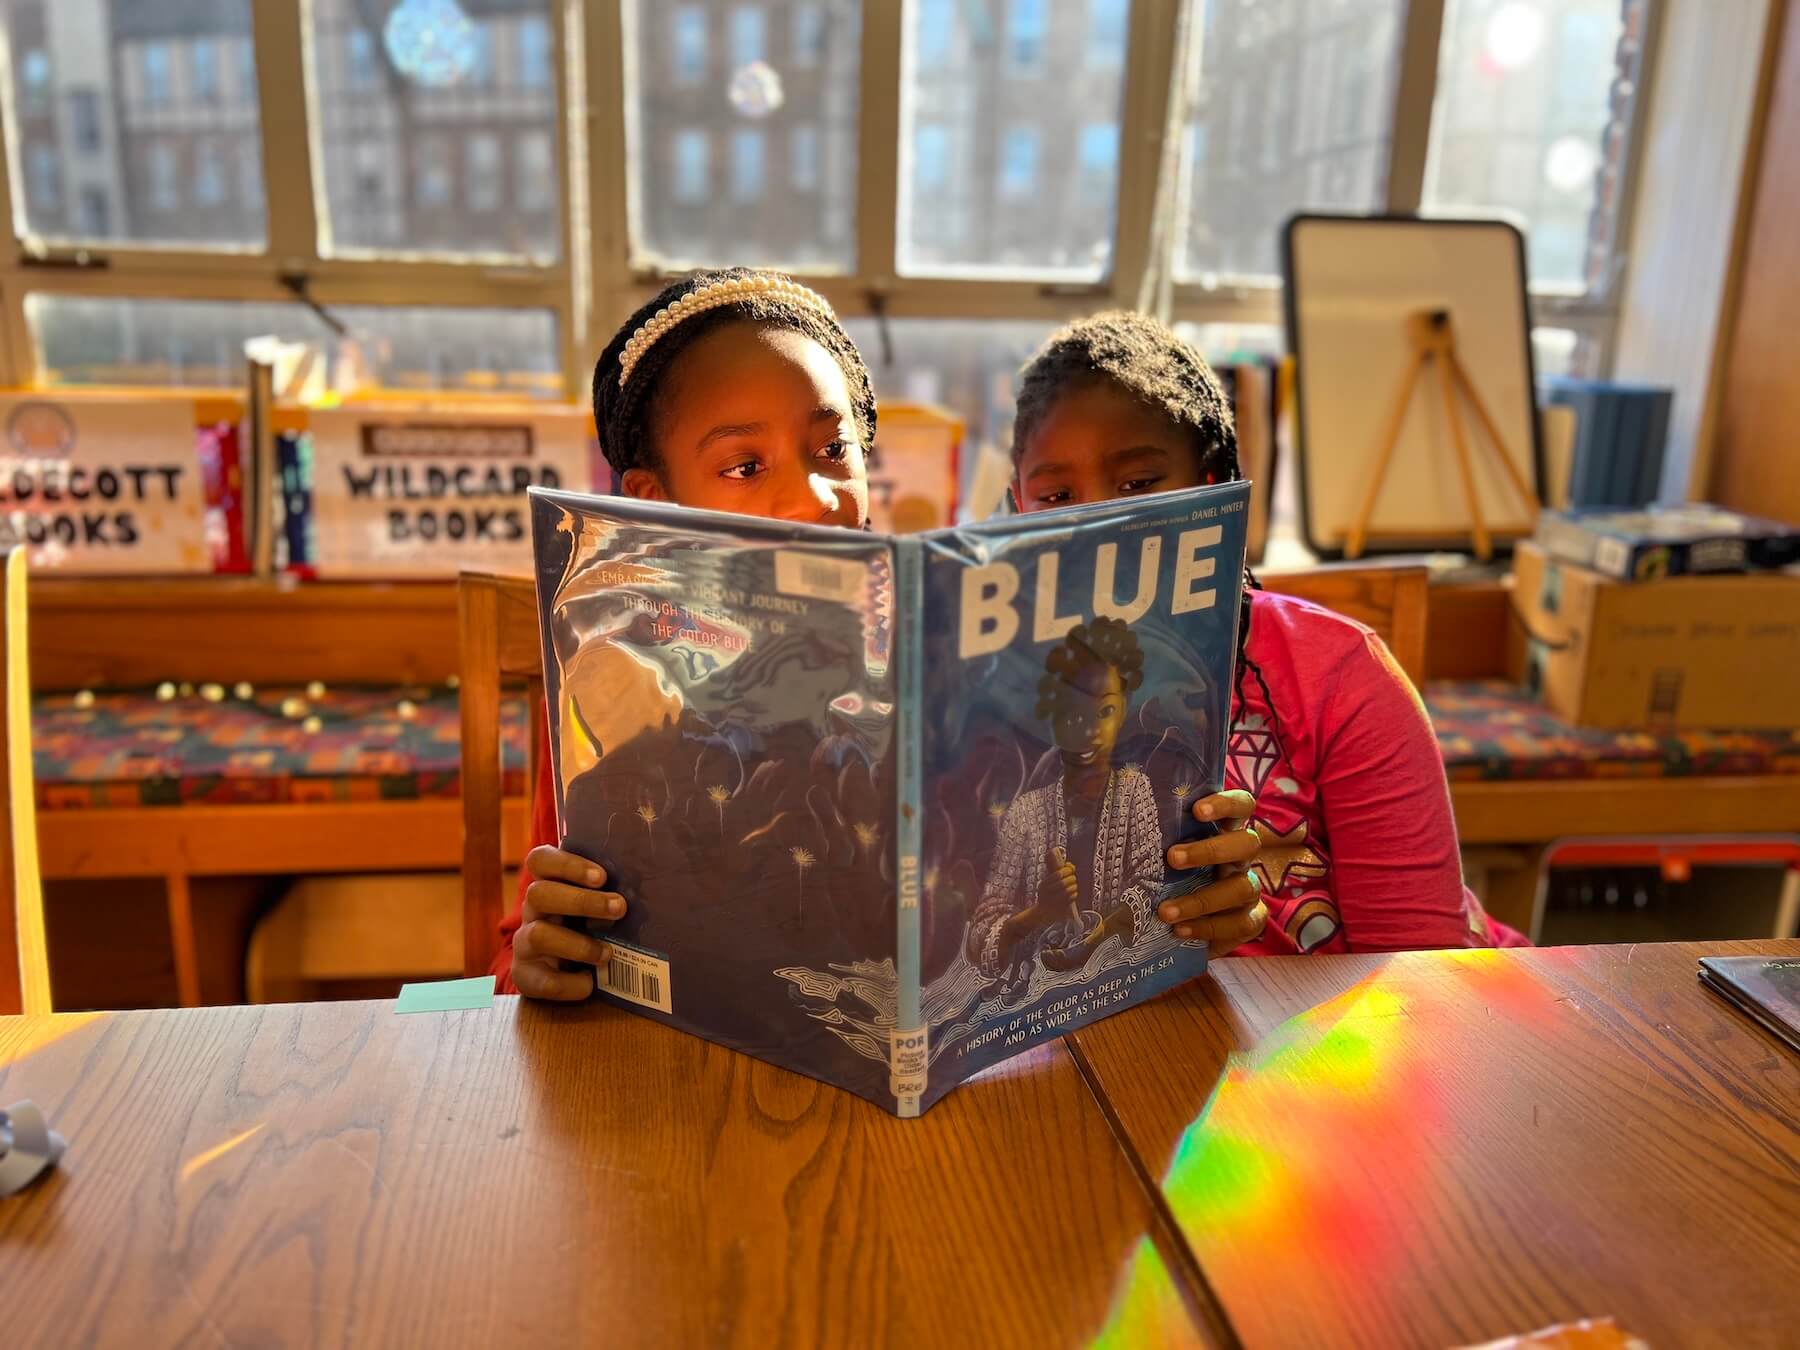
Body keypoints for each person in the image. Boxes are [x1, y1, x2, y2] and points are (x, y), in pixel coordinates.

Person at [498, 271, 1269, 998]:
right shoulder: (614, 681)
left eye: (833, 450)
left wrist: (1183, 904)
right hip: (683, 1093)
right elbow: (521, 953)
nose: (810, 496)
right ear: (652, 500)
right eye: (744, 465)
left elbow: (1036, 883)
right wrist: (544, 954)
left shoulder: (967, 657)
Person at [1010, 311, 1526, 954]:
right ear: (1017, 510)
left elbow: (1416, 965)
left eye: (1140, 483)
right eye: (1057, 497)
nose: (1102, 522)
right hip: (1154, 1037)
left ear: (1215, 489)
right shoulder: (1004, 696)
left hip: (1370, 1017)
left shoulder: (1339, 675)